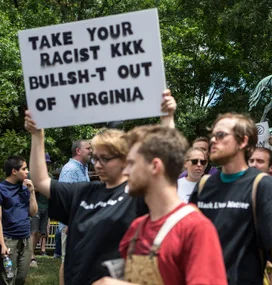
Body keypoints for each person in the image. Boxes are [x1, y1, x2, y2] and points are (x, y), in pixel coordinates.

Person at [24, 90, 176, 285]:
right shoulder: (84, 192)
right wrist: (38, 135)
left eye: (106, 158)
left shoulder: (138, 194)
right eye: (96, 158)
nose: (97, 164)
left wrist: (167, 118)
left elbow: (167, 167)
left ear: (124, 159)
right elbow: (41, 181)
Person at [93, 125, 227, 285]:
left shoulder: (196, 228)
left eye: (131, 163)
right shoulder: (136, 228)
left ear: (155, 166)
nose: (125, 171)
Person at [190, 113, 272, 285]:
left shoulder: (261, 184)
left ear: (243, 142)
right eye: (212, 136)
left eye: (221, 135)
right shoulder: (203, 185)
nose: (213, 141)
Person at [58, 139, 92, 285]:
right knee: (68, 262)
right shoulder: (70, 169)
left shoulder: (82, 168)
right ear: (78, 151)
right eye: (88, 148)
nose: (91, 151)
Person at [0, 156, 38, 285]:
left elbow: (33, 212)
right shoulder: (2, 189)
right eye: (24, 168)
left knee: (20, 278)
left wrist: (32, 192)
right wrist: (2, 244)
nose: (27, 171)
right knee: (8, 278)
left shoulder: (24, 188)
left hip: (26, 240)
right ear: (14, 171)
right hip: (9, 240)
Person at [30, 153, 52, 267]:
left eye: (47, 163)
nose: (46, 165)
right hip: (35, 207)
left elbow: (52, 191)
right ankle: (32, 256)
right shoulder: (31, 174)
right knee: (34, 231)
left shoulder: (50, 176)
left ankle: (31, 253)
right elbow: (29, 188)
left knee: (41, 233)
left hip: (46, 208)